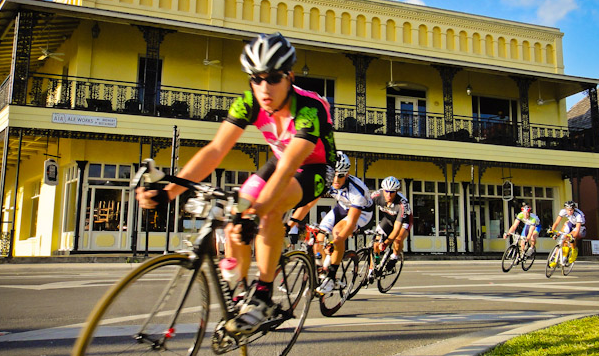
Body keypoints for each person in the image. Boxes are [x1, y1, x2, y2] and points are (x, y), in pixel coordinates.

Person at [136, 32, 336, 335]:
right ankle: (242, 297)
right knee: (239, 207)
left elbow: (286, 172)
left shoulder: (310, 108)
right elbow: (215, 150)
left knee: (266, 208)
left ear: (289, 76)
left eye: (272, 78)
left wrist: (255, 213)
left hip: (313, 168)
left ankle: (264, 295)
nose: (264, 88)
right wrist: (169, 191)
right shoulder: (249, 102)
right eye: (256, 79)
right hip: (280, 159)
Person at [289, 151, 373, 294]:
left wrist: (335, 242)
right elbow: (307, 205)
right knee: (319, 237)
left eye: (340, 175)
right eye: (333, 174)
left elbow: (351, 223)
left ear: (347, 174)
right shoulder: (327, 180)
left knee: (338, 233)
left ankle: (332, 277)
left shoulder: (357, 191)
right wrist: (289, 225)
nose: (335, 179)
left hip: (362, 212)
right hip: (342, 207)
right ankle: (323, 271)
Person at [369, 176, 412, 282]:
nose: (388, 195)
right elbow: (365, 210)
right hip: (388, 219)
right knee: (375, 243)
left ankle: (395, 256)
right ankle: (372, 269)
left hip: (403, 222)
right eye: (386, 191)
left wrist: (386, 243)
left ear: (396, 191)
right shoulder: (376, 196)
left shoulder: (402, 204)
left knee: (397, 240)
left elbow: (397, 228)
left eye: (392, 192)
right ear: (383, 189)